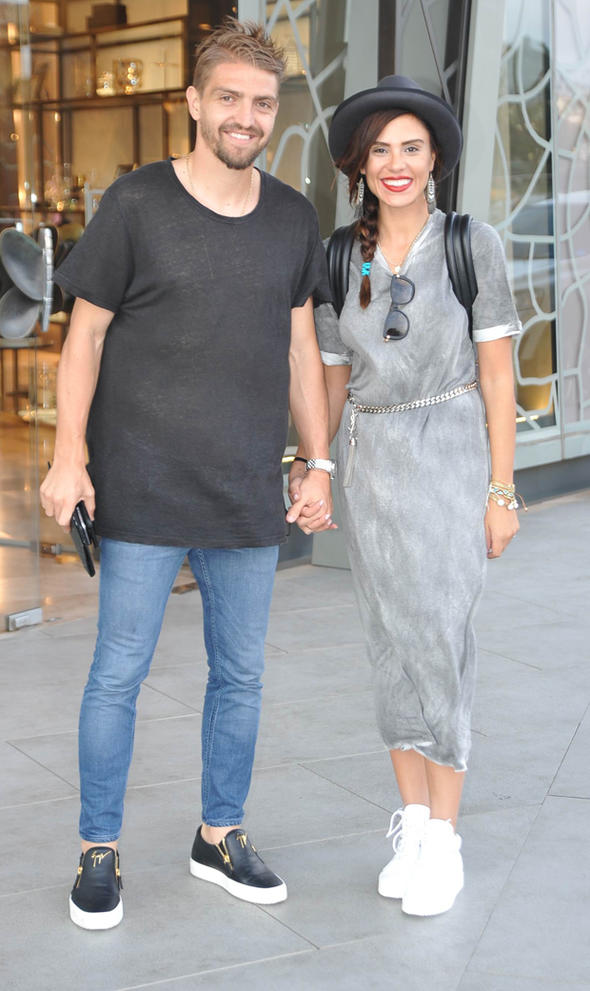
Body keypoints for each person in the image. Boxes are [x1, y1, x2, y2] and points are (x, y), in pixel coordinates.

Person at [41, 17, 336, 931]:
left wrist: (318, 460)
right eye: (230, 99)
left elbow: (300, 348)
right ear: (195, 104)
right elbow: (85, 338)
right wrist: (68, 455)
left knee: (240, 675)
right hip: (142, 487)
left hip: (245, 488)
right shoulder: (136, 204)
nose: (247, 116)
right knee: (117, 676)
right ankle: (99, 849)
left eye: (263, 102)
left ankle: (219, 833)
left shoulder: (292, 216)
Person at [290, 75, 522, 917]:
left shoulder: (469, 244)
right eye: (381, 149)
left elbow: (498, 377)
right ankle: (415, 824)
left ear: (435, 160)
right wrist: (316, 464)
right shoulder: (337, 256)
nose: (396, 163)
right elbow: (331, 376)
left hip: (451, 454)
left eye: (412, 148)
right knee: (388, 641)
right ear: (360, 164)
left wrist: (502, 489)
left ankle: (447, 838)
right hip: (372, 465)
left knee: (439, 640)